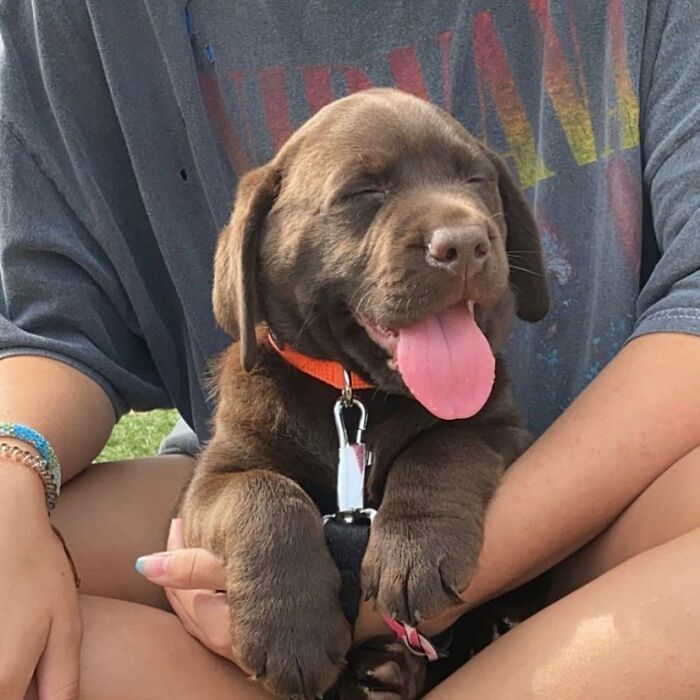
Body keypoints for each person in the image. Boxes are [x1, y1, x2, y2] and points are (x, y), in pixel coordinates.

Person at [1, 1, 699, 698]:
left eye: (472, 184)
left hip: (595, 516)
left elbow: (488, 435)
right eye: (362, 192)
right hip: (256, 553)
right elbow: (60, 329)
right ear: (255, 247)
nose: (458, 229)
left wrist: (388, 588)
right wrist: (10, 474)